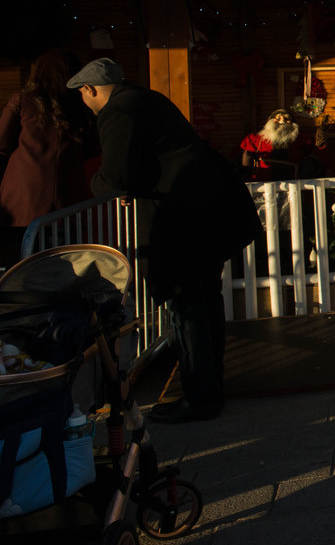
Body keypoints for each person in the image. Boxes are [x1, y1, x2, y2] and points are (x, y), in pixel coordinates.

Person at [69, 58, 259, 423]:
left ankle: (200, 396)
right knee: (206, 301)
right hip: (210, 212)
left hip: (183, 220)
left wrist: (102, 185)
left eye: (83, 95)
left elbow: (117, 173)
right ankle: (209, 389)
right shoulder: (147, 99)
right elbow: (155, 158)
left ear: (90, 89)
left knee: (186, 306)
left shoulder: (117, 112)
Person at [1, 50, 95, 266]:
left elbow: (2, 144)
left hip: (21, 206)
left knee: (18, 268)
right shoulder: (81, 107)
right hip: (67, 204)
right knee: (63, 267)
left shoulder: (23, 101)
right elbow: (92, 149)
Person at [239, 109, 303, 182]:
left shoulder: (302, 140)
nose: (282, 121)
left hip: (293, 182)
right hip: (263, 182)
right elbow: (246, 161)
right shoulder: (254, 139)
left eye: (287, 119)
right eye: (278, 118)